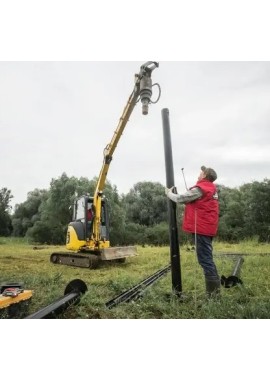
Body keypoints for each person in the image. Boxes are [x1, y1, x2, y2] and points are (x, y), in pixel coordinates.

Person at [165, 166, 220, 297]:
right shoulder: (210, 189)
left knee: (205, 260)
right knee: (207, 258)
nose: (198, 174)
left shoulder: (201, 188)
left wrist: (168, 193)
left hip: (201, 228)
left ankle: (214, 295)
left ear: (205, 175)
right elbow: (199, 204)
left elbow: (179, 199)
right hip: (207, 228)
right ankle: (214, 292)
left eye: (201, 172)